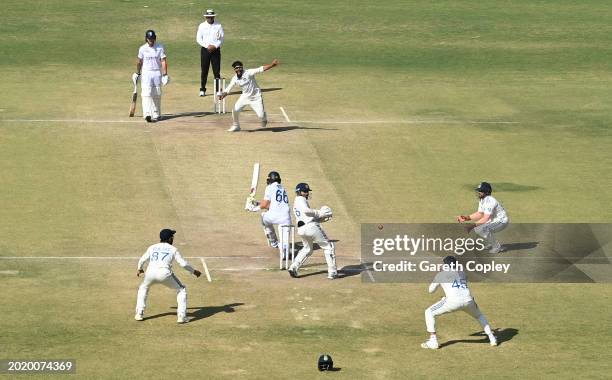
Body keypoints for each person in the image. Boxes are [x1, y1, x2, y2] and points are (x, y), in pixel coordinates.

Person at [421, 256, 497, 349]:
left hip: (452, 302)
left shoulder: (441, 275)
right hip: (468, 300)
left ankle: (433, 341)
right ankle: (492, 338)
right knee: (479, 316)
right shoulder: (462, 273)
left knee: (428, 312)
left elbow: (431, 290)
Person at [135, 229, 201, 323]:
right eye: (172, 237)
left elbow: (142, 259)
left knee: (143, 288)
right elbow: (183, 264)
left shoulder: (152, 247)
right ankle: (181, 316)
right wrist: (194, 271)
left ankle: (139, 313)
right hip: (165, 274)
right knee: (181, 289)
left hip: (150, 273)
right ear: (170, 239)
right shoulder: (173, 249)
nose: (173, 238)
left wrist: (140, 268)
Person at [288, 183, 336, 279]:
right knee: (328, 246)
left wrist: (320, 218)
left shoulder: (297, 202)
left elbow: (305, 216)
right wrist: (319, 213)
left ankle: (293, 267)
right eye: (305, 191)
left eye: (307, 191)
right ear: (299, 192)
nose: (307, 193)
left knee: (307, 249)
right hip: (311, 227)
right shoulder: (300, 200)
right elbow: (306, 211)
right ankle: (332, 271)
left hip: (302, 229)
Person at [219, 59, 279, 132]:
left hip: (256, 97)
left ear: (242, 67)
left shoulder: (249, 72)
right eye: (236, 68)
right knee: (235, 110)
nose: (238, 70)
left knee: (261, 115)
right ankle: (236, 126)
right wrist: (223, 95)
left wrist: (272, 65)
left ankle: (264, 118)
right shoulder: (235, 78)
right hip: (244, 97)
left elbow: (261, 69)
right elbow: (228, 88)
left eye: (239, 68)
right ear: (234, 70)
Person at [457, 181, 509, 254]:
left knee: (483, 229)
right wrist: (466, 218)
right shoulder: (482, 200)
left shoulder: (490, 201)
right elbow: (480, 214)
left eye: (480, 191)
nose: (478, 192)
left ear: (486, 192)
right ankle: (491, 243)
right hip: (494, 220)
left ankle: (497, 247)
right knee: (479, 228)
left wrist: (471, 226)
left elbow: (485, 218)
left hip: (501, 221)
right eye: (478, 190)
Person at [245, 171, 292, 250]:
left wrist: (253, 209)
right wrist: (257, 203)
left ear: (269, 180)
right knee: (285, 246)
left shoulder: (269, 187)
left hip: (274, 216)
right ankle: (284, 249)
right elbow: (272, 205)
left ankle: (273, 242)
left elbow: (265, 205)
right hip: (286, 218)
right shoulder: (282, 189)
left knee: (263, 216)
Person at [133, 30, 169, 123]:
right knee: (146, 93)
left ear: (155, 38)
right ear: (146, 39)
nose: (151, 41)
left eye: (152, 39)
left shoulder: (160, 47)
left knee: (157, 93)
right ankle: (147, 114)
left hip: (157, 72)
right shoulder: (142, 49)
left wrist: (165, 74)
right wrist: (137, 73)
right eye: (149, 39)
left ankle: (156, 113)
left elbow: (163, 61)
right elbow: (139, 62)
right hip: (146, 72)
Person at [196, 9, 224, 97]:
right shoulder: (202, 25)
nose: (209, 18)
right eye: (208, 17)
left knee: (216, 71)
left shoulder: (218, 25)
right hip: (205, 50)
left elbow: (221, 38)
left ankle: (218, 90)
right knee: (204, 70)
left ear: (213, 17)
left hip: (215, 50)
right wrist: (207, 46)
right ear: (206, 17)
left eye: (211, 17)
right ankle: (202, 89)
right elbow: (198, 39)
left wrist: (215, 46)